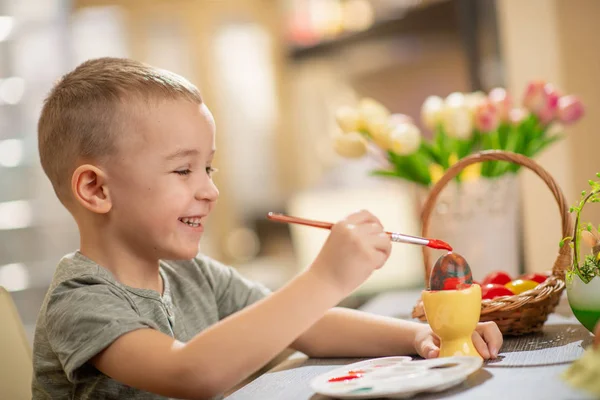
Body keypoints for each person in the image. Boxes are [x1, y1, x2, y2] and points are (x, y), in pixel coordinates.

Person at [32, 57, 502, 400]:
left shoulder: (196, 277)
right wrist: (326, 278)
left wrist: (420, 338)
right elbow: (190, 373)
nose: (209, 191)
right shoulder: (81, 299)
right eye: (183, 171)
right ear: (95, 189)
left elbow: (306, 326)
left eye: (209, 170)